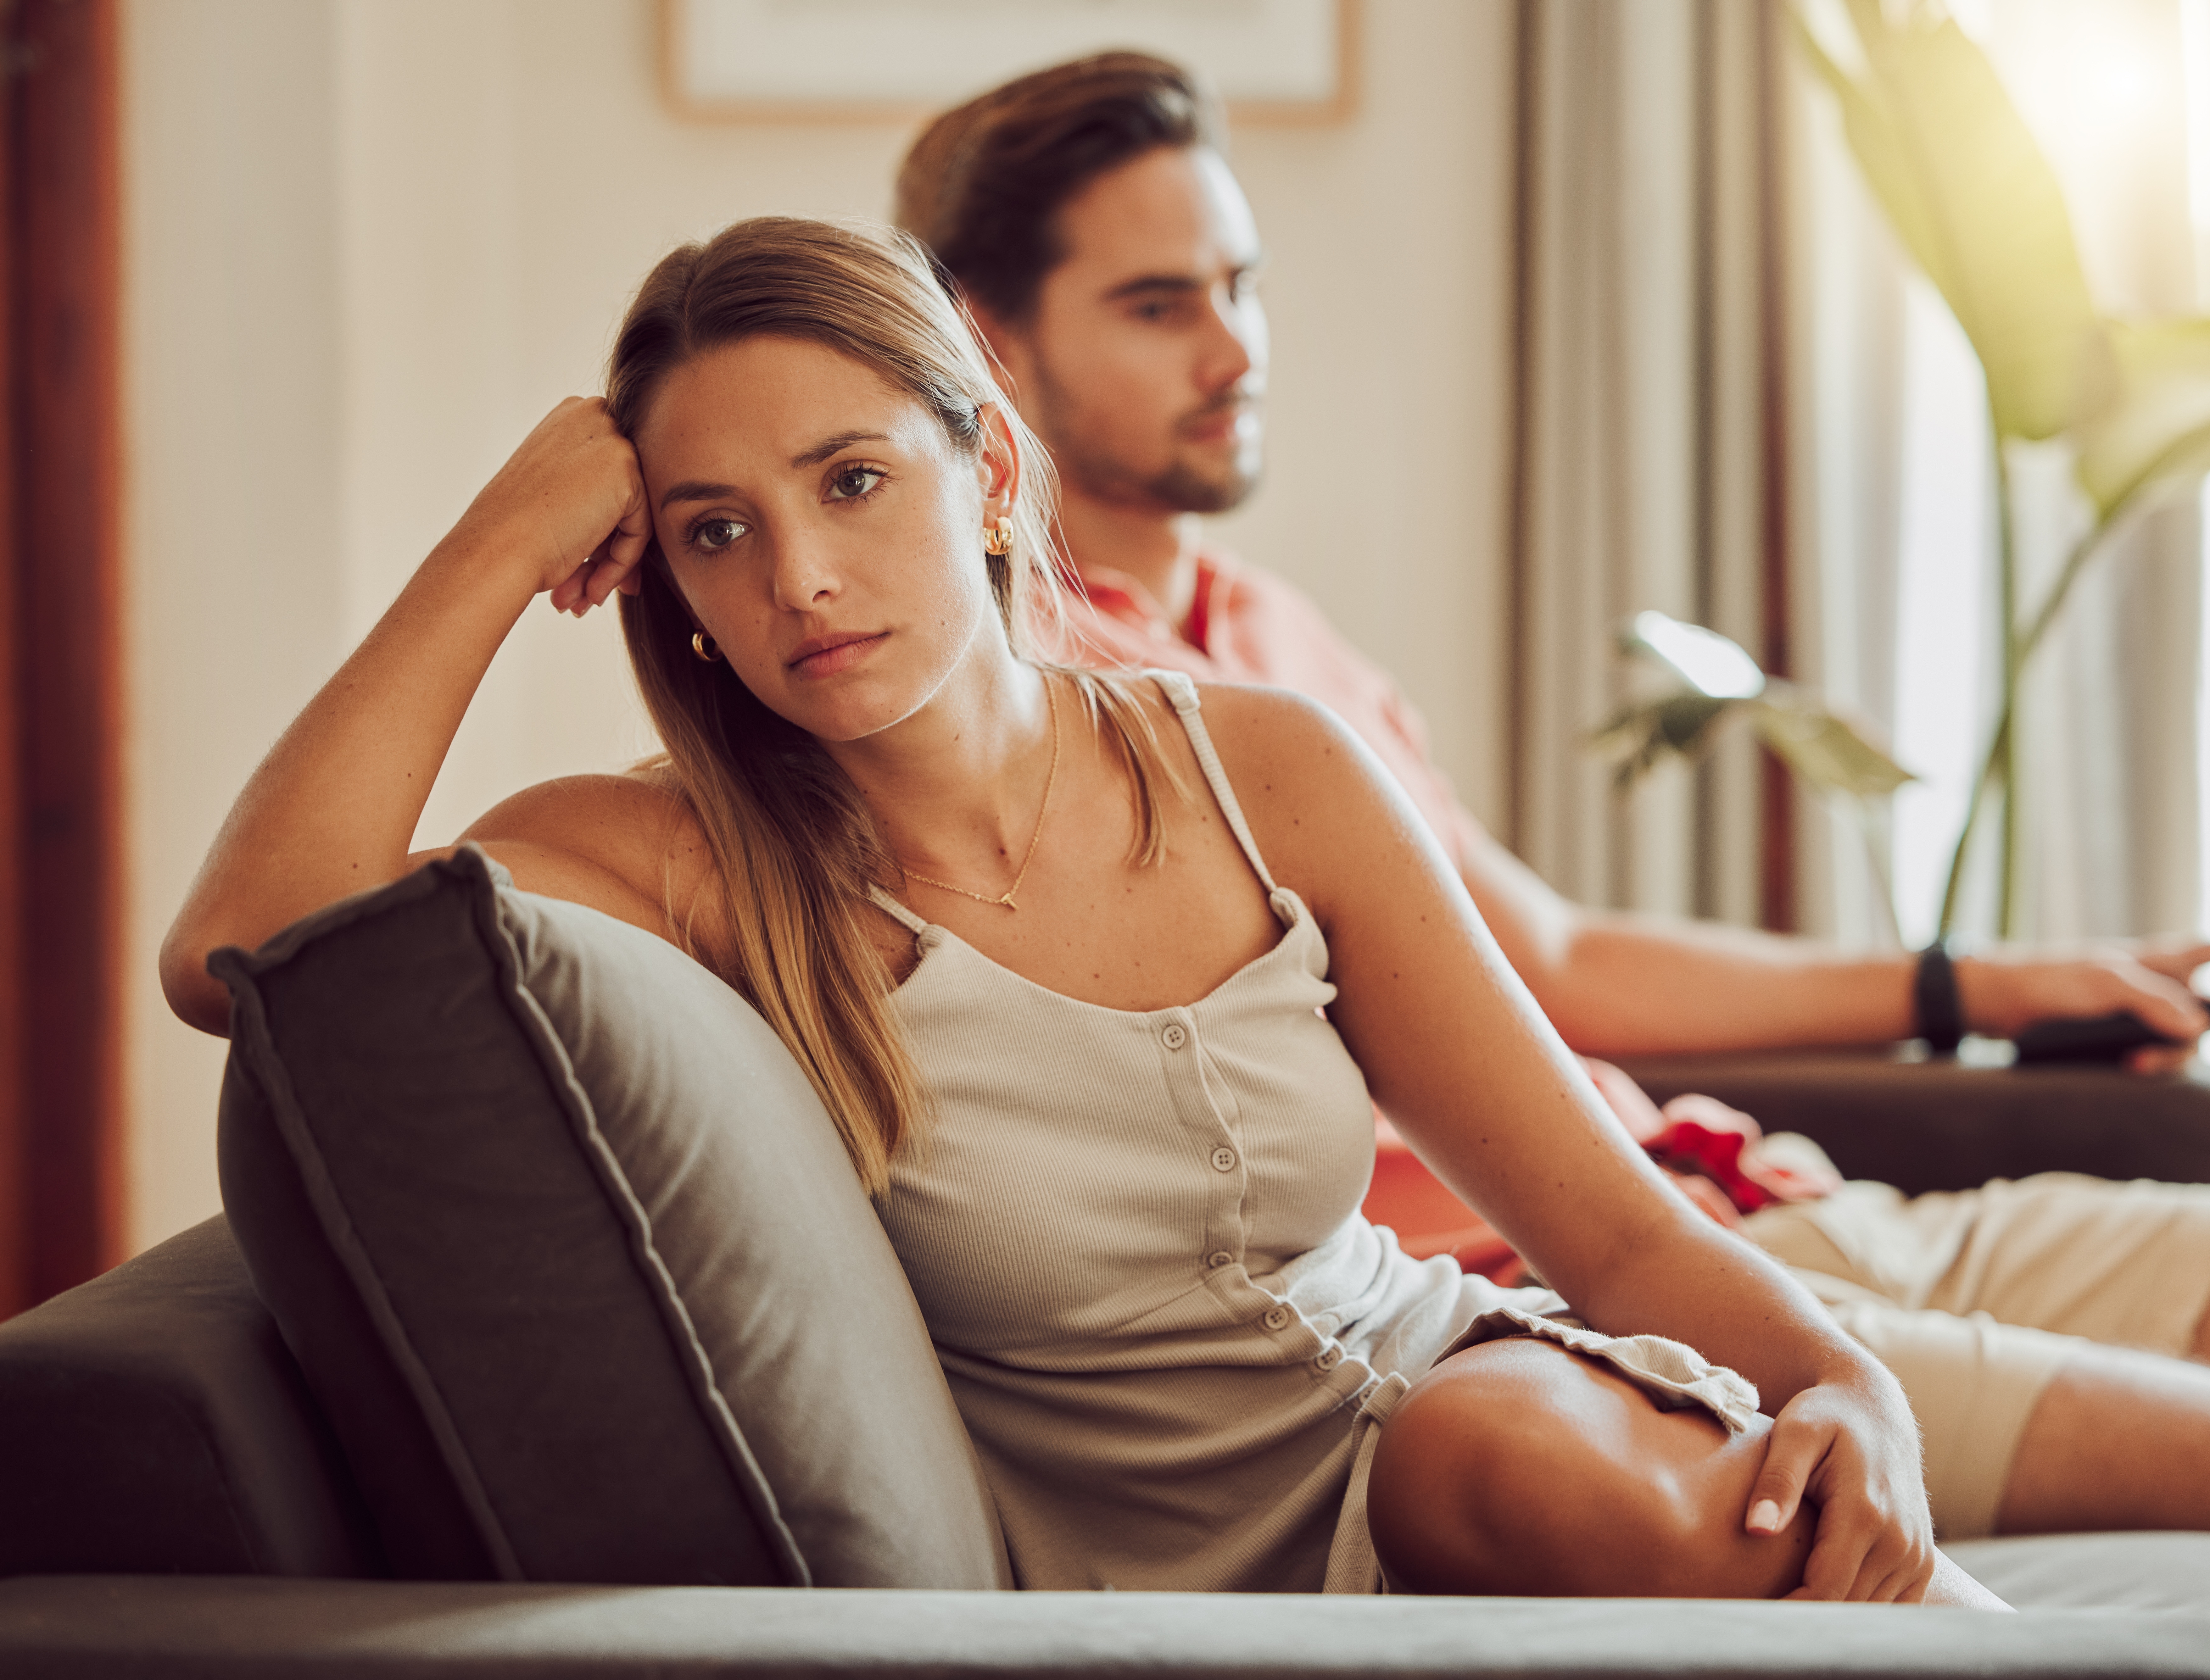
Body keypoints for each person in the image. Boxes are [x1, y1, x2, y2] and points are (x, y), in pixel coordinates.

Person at [160, 217, 2002, 1606]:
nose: (796, 575)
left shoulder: (1260, 766)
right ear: (661, 580)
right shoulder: (672, 864)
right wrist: (496, 536)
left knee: (1528, 1453)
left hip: (1465, 1412)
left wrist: (1849, 1379)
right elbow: (240, 953)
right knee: (1519, 1470)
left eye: (852, 480)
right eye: (712, 527)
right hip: (1152, 1573)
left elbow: (1604, 1229)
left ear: (992, 475)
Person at [891, 53, 2210, 1547]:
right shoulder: (1021, 715)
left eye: (1238, 285)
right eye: (1157, 305)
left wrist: (1967, 980)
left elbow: (1552, 956)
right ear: (986, 348)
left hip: (1747, 1211)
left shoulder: (1275, 637)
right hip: (1586, 1309)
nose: (1234, 346)